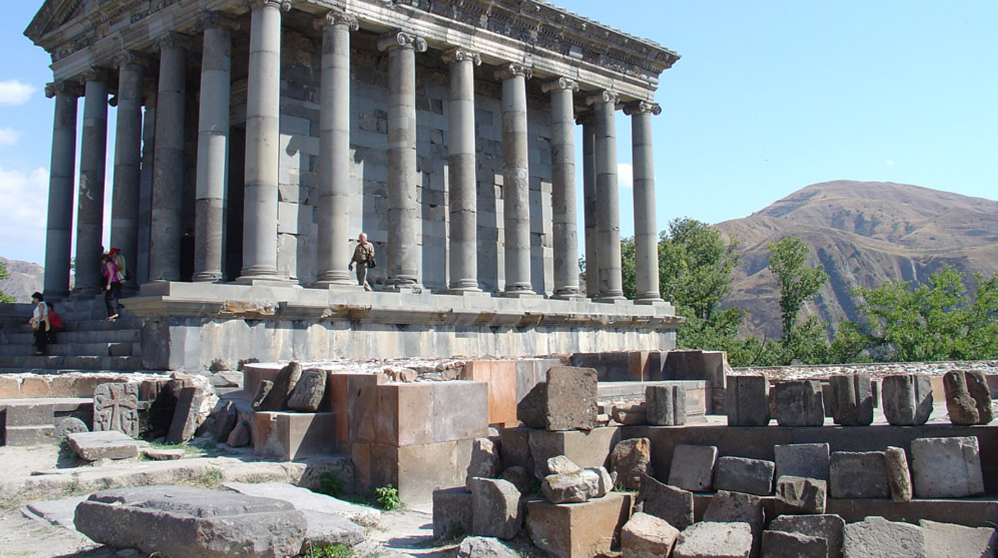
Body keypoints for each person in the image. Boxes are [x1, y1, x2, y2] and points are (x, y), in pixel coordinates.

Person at [101, 253, 122, 320]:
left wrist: (108, 284)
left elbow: (111, 273)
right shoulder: (113, 263)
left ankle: (113, 313)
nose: (102, 263)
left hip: (112, 282)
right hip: (116, 282)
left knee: (108, 298)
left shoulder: (108, 264)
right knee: (110, 297)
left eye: (102, 261)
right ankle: (112, 313)